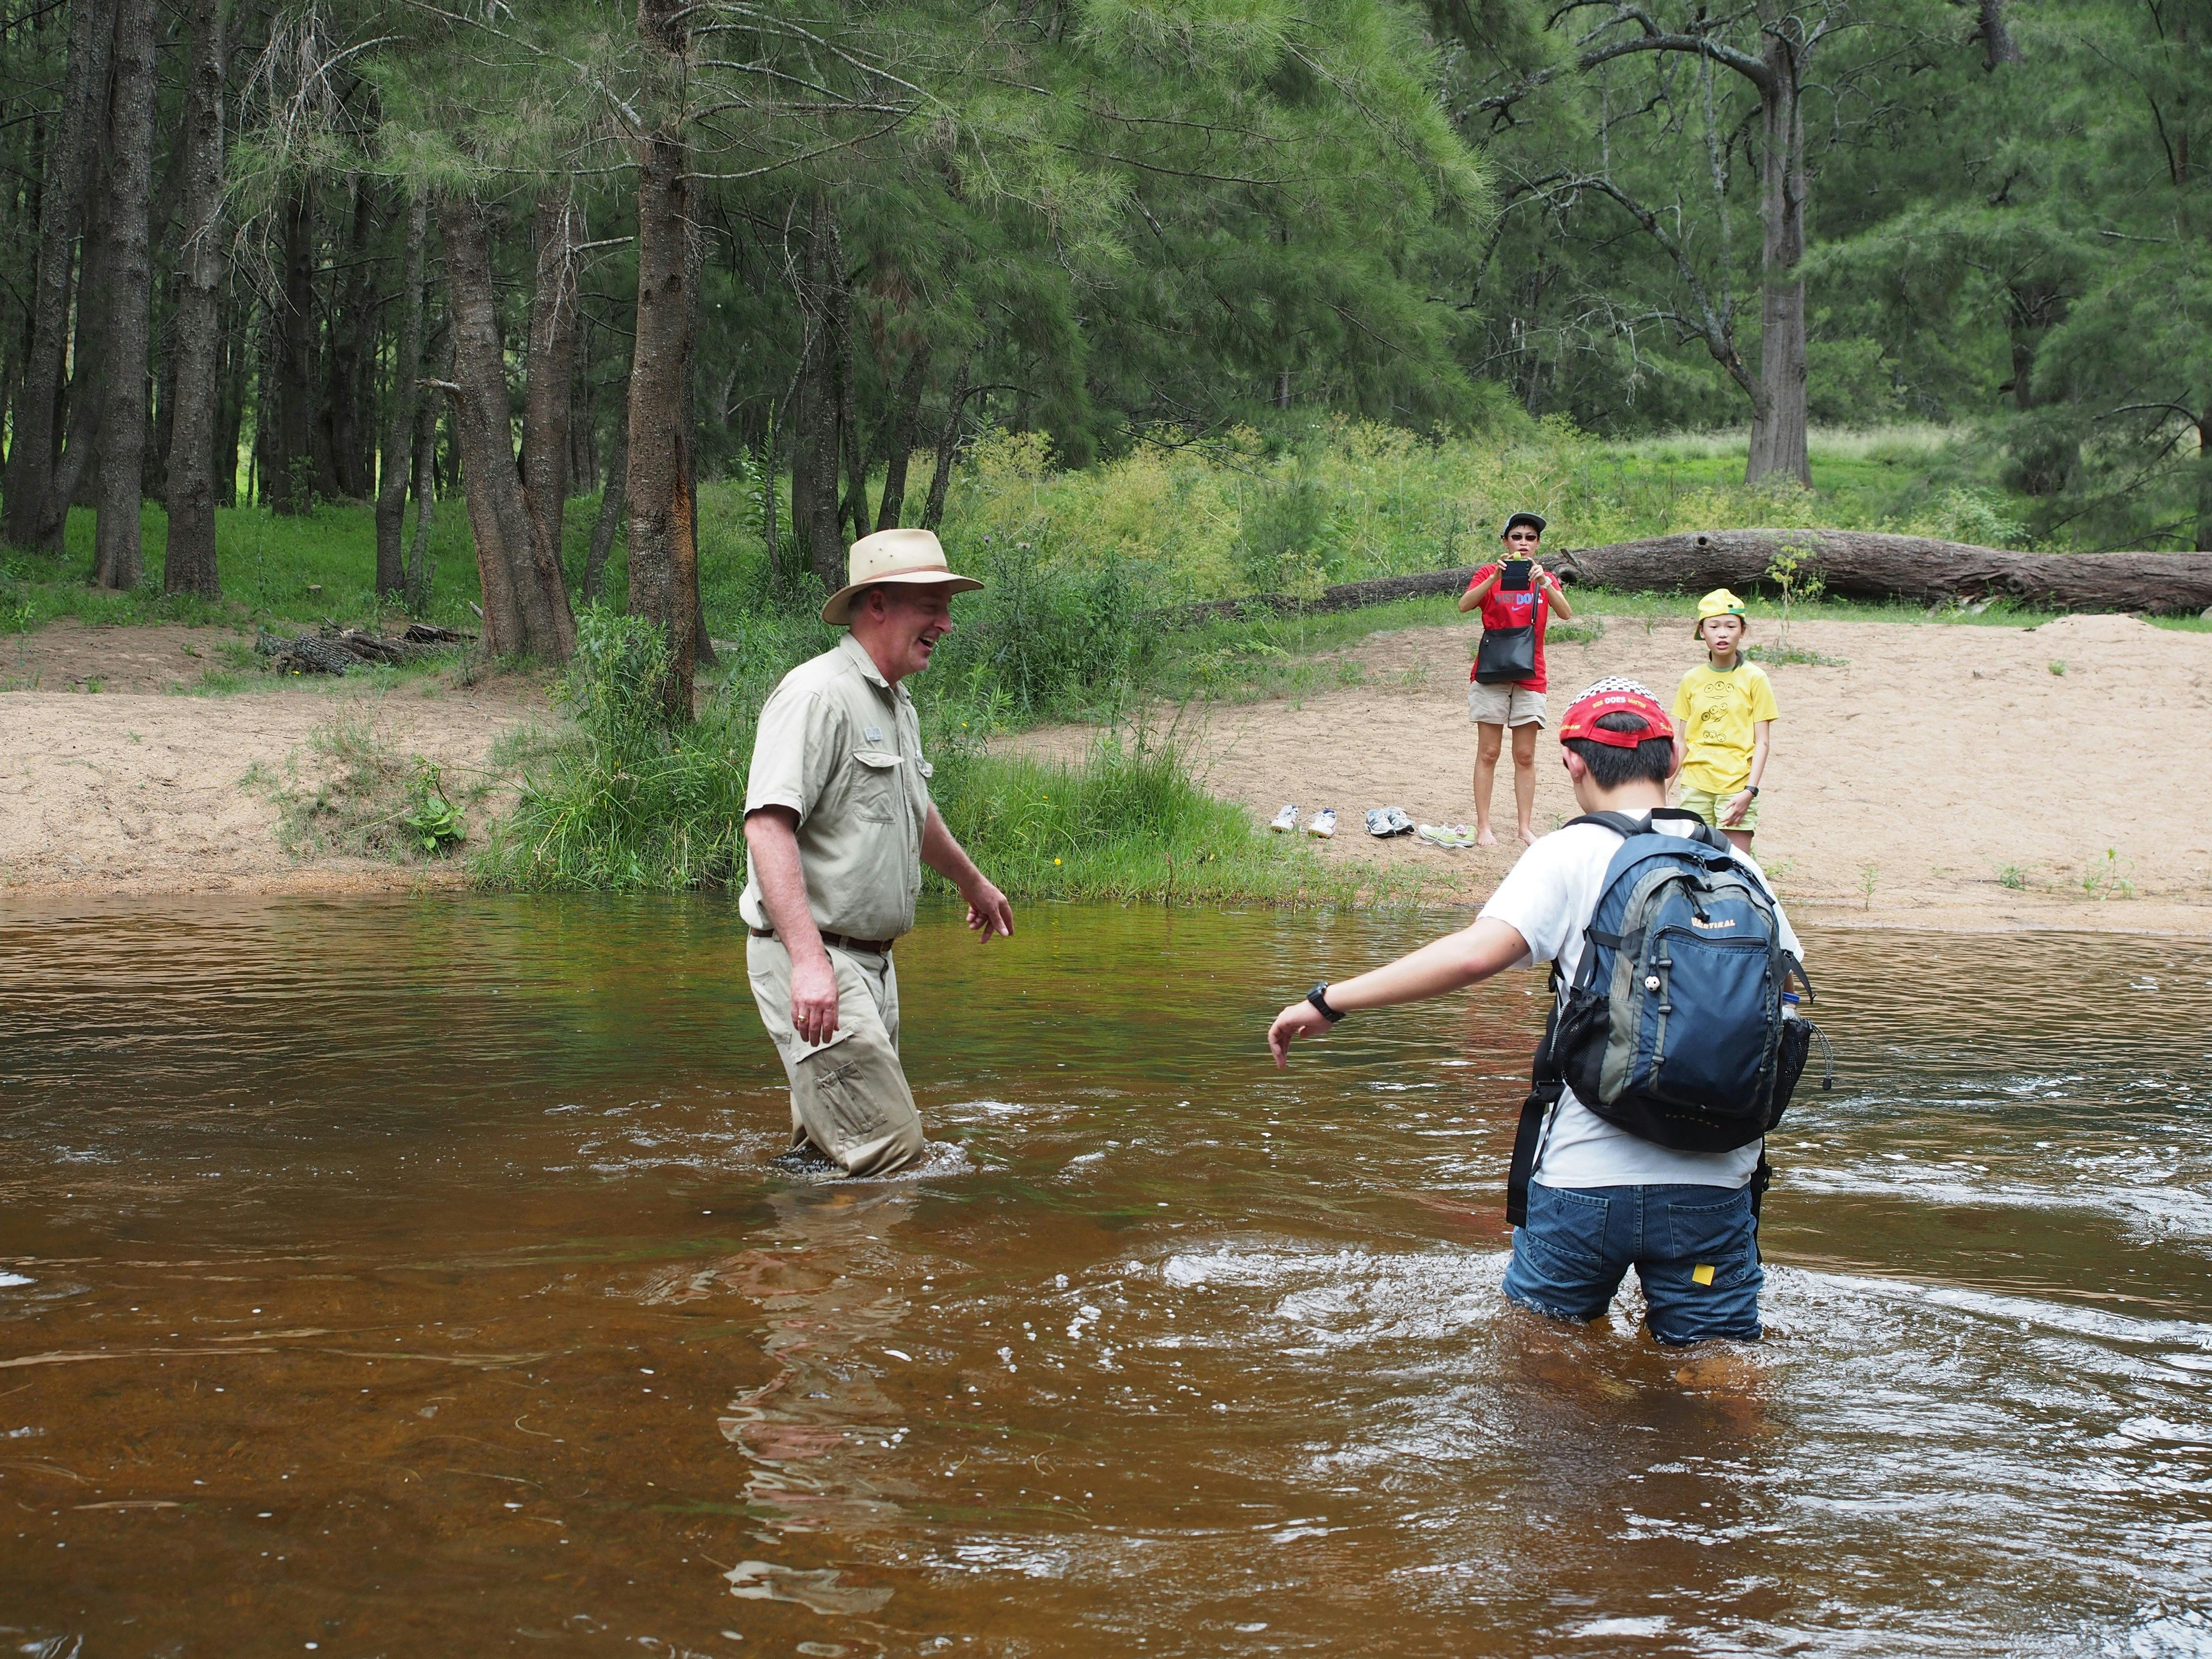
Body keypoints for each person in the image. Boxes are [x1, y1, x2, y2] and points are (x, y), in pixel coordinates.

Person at [1265, 679, 1806, 1346]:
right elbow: (1780, 1008)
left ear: (1572, 763)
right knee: (1718, 1368)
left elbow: (1472, 957)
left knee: (1545, 1363)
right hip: (1717, 1187)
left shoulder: (1568, 853)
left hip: (1585, 1183)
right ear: (1673, 762)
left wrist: (1329, 1001)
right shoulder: (1739, 869)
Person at [740, 527, 1015, 1178]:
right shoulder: (817, 695)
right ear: (879, 604)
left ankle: (799, 1266)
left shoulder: (895, 703)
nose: (947, 624)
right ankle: (865, 1279)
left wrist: (972, 882)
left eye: (948, 607)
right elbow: (766, 828)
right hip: (816, 963)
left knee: (830, 1161)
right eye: (933, 606)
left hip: (869, 969)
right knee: (892, 1160)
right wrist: (810, 965)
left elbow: (913, 813)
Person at [1458, 511, 1574, 847]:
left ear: (1538, 544)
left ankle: (1524, 828)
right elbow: (1465, 605)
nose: (1524, 543)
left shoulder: (1545, 577)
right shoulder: (1488, 573)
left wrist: (1545, 583)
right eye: (1517, 536)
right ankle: (1484, 827)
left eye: (1531, 538)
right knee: (1489, 752)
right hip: (1492, 671)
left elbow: (1566, 613)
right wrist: (1494, 577)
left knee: (1525, 755)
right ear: (1505, 541)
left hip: (1530, 673)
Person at [1672, 588, 1779, 853]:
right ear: (1702, 632)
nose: (1722, 633)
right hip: (1695, 785)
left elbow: (1762, 743)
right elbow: (1683, 740)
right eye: (1714, 626)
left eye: (1731, 626)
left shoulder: (1755, 678)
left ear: (1742, 631)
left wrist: (1749, 792)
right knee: (1692, 863)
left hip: (1736, 786)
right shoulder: (1691, 679)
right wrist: (1664, 787)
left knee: (1736, 867)